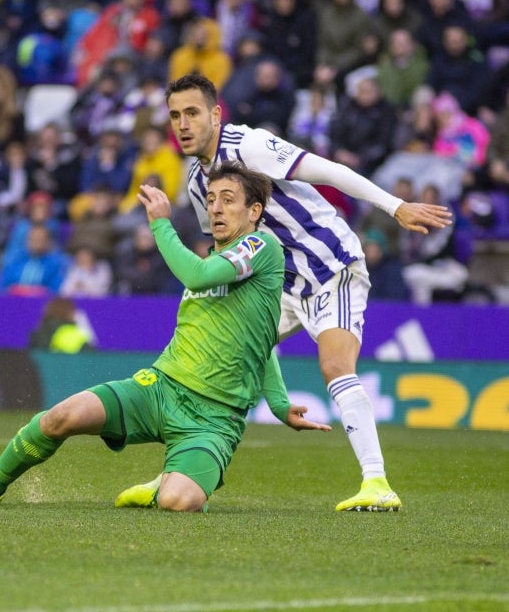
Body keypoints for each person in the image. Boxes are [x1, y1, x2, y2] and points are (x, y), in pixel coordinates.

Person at [0, 161, 331, 510]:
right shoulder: (216, 258)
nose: (216, 207)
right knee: (61, 417)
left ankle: (163, 485)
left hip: (215, 418)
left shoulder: (262, 247)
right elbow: (260, 337)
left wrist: (160, 224)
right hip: (161, 388)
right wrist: (279, 404)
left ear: (254, 210)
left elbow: (197, 277)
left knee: (179, 502)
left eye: (228, 199)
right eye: (210, 199)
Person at [136, 73, 453, 512]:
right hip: (276, 283)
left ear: (215, 114)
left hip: (329, 267)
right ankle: (175, 474)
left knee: (334, 363)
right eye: (174, 116)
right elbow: (226, 246)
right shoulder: (196, 183)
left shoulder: (249, 146)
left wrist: (395, 206)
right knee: (215, 356)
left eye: (192, 113)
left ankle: (377, 482)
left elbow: (331, 172)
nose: (183, 124)